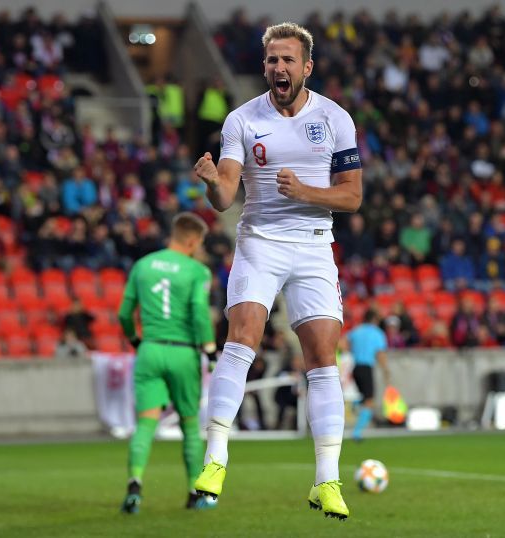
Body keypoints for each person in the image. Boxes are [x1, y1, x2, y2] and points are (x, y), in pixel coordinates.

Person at [192, 22, 362, 520]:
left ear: (306, 66)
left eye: (288, 60)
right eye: (272, 61)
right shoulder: (242, 120)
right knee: (242, 336)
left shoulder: (335, 118)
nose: (279, 68)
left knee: (322, 358)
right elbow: (226, 195)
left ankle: (326, 481)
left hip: (313, 246)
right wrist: (210, 183)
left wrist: (306, 192)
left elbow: (351, 196)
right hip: (260, 243)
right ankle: (215, 462)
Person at [117, 212, 217, 514]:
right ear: (191, 240)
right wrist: (210, 350)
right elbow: (199, 312)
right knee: (189, 424)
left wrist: (136, 341)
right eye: (199, 242)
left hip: (150, 350)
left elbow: (124, 313)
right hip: (183, 352)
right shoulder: (197, 271)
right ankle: (194, 492)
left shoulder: (143, 265)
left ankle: (135, 484)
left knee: (146, 424)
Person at [345, 309, 388, 441]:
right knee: (369, 401)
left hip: (355, 367)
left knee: (364, 397)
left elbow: (344, 342)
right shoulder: (377, 333)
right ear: (375, 319)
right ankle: (357, 433)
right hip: (366, 367)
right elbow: (379, 352)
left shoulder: (356, 331)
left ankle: (354, 404)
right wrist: (385, 369)